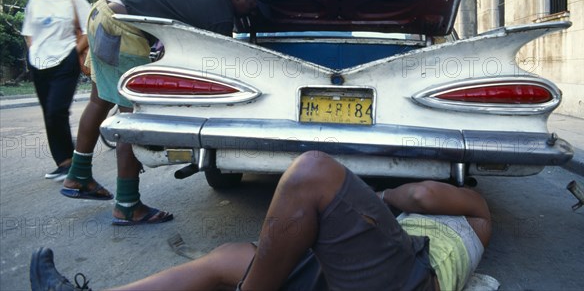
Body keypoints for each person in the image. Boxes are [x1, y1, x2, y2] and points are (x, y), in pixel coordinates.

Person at [33, 151, 492, 290]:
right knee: (232, 256)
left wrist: (382, 196)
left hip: (410, 282)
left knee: (314, 172)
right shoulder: (471, 231)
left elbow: (422, 193)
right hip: (361, 276)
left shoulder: (477, 214)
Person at [60, 0, 277, 226]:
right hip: (123, 28)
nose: (252, 12)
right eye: (253, 4)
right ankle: (127, 206)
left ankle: (78, 175)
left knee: (99, 100)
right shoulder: (219, 14)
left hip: (102, 10)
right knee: (132, 120)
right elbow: (216, 70)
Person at [21, 0, 91, 181]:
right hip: (39, 63)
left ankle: (71, 163)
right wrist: (34, 52)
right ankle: (63, 162)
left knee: (56, 110)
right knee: (49, 115)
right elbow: (28, 32)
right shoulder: (35, 1)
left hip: (64, 60)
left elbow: (90, 29)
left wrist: (72, 53)